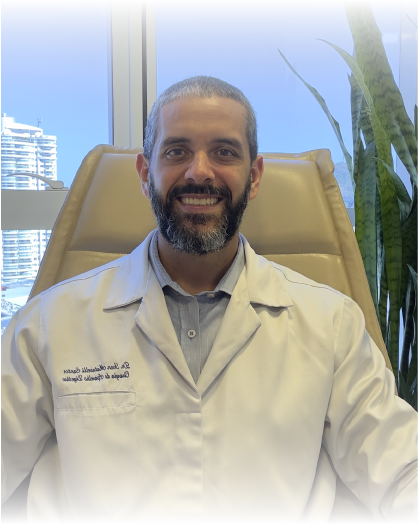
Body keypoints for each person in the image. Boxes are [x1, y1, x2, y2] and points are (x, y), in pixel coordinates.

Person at [1, 76, 417, 524]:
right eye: (177, 151)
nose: (199, 172)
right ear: (144, 174)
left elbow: (403, 467)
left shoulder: (331, 324)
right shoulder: (49, 323)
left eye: (224, 152)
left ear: (253, 177)